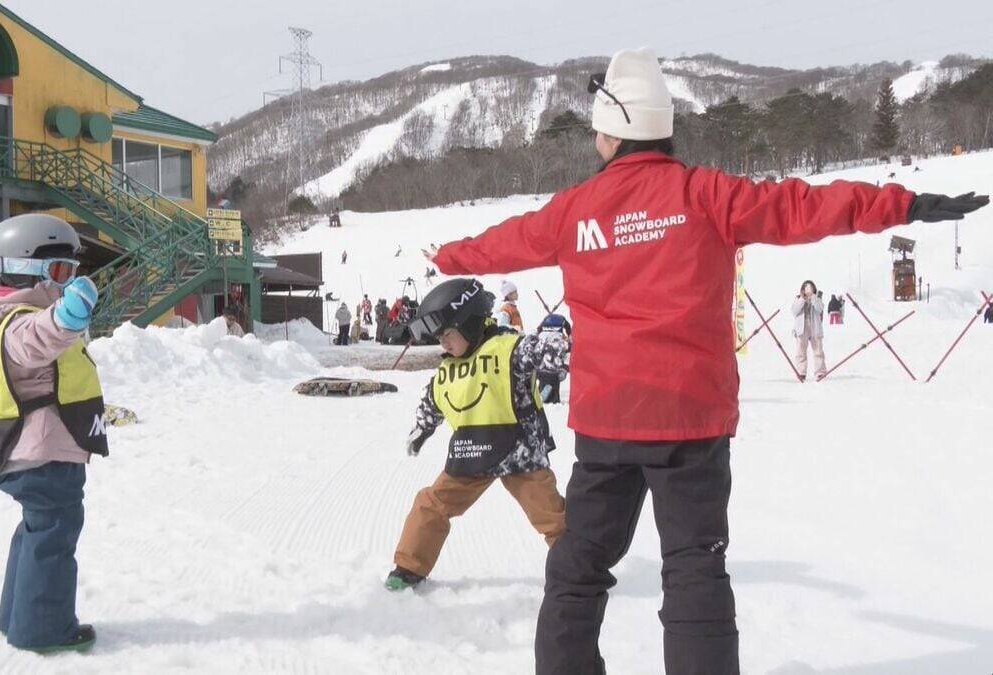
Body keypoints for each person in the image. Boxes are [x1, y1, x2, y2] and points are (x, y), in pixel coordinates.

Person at [423, 48, 987, 675]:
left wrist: (447, 256)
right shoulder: (706, 194)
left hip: (608, 422)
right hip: (690, 419)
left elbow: (504, 242)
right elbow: (802, 206)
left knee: (578, 568)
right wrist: (903, 204)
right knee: (694, 567)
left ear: (611, 134)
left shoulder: (574, 211)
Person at [0, 213, 109, 653]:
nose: (67, 282)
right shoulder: (20, 323)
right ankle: (43, 629)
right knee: (54, 534)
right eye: (61, 272)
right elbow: (38, 340)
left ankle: (17, 616)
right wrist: (66, 316)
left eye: (72, 272)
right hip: (43, 453)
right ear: (25, 270)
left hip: (25, 450)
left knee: (37, 529)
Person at [385, 279, 570, 591]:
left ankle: (577, 565)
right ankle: (408, 569)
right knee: (431, 504)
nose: (443, 344)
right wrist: (422, 428)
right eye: (439, 338)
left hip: (520, 454)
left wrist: (560, 348)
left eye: (447, 334)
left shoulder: (509, 348)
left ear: (468, 323)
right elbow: (434, 398)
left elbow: (544, 351)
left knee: (550, 515)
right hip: (472, 452)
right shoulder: (449, 368)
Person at [793, 282, 827, 381]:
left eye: (810, 289)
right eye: (806, 289)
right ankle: (801, 372)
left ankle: (820, 372)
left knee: (818, 350)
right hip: (802, 328)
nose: (808, 292)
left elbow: (820, 308)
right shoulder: (798, 298)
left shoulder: (817, 298)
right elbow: (794, 311)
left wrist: (813, 297)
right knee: (801, 351)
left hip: (815, 327)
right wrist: (802, 299)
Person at [537, 314, 572, 404]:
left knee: (544, 384)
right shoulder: (560, 339)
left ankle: (543, 398)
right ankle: (549, 399)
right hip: (554, 371)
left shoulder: (541, 336)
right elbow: (569, 345)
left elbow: (538, 330)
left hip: (540, 368)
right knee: (551, 390)